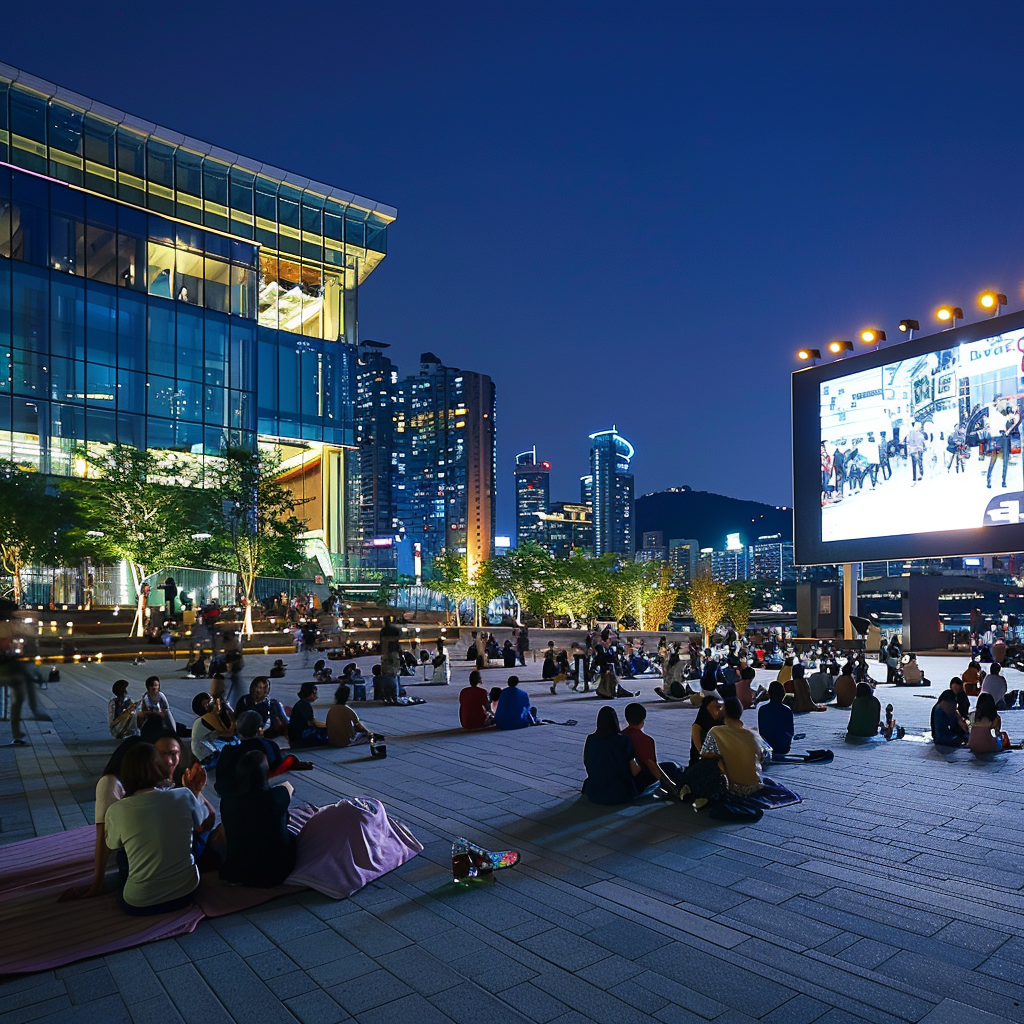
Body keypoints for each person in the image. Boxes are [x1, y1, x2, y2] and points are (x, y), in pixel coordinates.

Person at [103, 743, 206, 916]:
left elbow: (112, 844)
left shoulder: (118, 809)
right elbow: (200, 824)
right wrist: (194, 791)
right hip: (186, 892)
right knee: (192, 838)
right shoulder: (184, 795)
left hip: (138, 903)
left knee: (123, 855)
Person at [218, 750, 298, 887]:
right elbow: (288, 788)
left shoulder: (227, 800)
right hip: (274, 873)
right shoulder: (274, 798)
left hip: (238, 872)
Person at [700, 698, 772, 796]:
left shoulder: (715, 732)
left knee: (705, 764)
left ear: (724, 711)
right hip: (756, 784)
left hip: (733, 788)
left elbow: (704, 755)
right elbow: (765, 756)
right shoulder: (751, 734)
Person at [582, 706, 640, 804]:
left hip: (594, 792)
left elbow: (586, 762)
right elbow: (634, 771)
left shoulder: (591, 739)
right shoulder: (623, 740)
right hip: (620, 793)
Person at [622, 703, 681, 797]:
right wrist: (669, 785)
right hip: (639, 780)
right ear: (643, 720)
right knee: (673, 768)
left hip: (624, 777)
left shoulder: (622, 735)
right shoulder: (645, 740)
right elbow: (652, 766)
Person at [190, 692, 235, 765]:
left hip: (208, 745)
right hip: (203, 751)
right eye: (211, 701)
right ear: (206, 706)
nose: (215, 703)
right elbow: (229, 733)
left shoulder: (208, 717)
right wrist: (229, 710)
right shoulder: (207, 719)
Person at [758, 681, 796, 759]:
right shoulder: (787, 710)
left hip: (767, 747)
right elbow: (790, 731)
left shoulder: (762, 710)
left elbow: (762, 731)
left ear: (769, 694)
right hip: (783, 747)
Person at [288, 682, 331, 748]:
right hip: (301, 735)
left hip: (296, 734)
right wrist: (328, 725)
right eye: (314, 693)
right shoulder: (304, 704)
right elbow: (313, 723)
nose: (316, 695)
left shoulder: (301, 703)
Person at [689, 694, 724, 765]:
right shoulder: (697, 727)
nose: (719, 710)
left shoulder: (722, 724)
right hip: (701, 764)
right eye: (717, 707)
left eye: (720, 707)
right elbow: (702, 752)